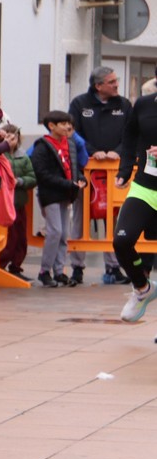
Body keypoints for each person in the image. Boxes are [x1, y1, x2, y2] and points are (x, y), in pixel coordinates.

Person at [70, 67, 131, 284]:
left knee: (114, 218)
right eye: (112, 81)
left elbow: (131, 134)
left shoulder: (124, 105)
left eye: (117, 80)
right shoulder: (80, 104)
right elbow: (72, 132)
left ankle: (113, 267)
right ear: (98, 85)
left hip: (114, 172)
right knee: (80, 217)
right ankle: (77, 267)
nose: (116, 84)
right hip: (87, 171)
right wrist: (92, 151)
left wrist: (118, 151)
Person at [31, 111, 87, 289]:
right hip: (51, 194)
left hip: (66, 193)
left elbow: (75, 166)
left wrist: (80, 179)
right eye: (62, 124)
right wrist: (66, 183)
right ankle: (44, 271)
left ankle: (59, 270)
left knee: (63, 234)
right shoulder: (43, 146)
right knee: (54, 231)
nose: (67, 127)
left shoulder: (69, 144)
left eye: (68, 123)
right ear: (51, 126)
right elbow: (41, 173)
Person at [115, 88, 157, 322]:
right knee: (122, 240)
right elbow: (129, 135)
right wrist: (125, 170)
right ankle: (143, 289)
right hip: (145, 187)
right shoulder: (144, 103)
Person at [1, 123, 36, 277]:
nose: (10, 140)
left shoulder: (23, 156)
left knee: (20, 236)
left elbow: (32, 177)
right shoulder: (0, 155)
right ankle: (0, 264)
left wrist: (20, 181)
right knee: (8, 237)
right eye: (6, 137)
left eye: (13, 137)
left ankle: (16, 265)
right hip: (3, 203)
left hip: (19, 202)